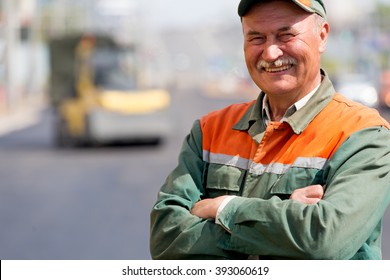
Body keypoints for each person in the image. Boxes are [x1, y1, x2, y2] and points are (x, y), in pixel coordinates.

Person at [150, 0, 390, 260]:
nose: (271, 53)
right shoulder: (210, 130)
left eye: (285, 35)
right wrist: (285, 222)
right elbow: (166, 238)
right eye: (256, 38)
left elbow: (323, 240)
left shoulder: (364, 134)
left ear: (322, 36)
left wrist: (222, 209)